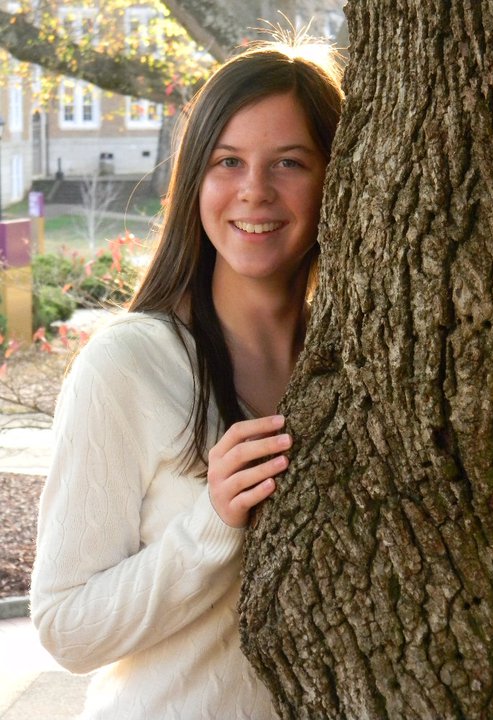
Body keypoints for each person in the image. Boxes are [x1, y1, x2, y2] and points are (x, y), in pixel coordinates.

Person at [31, 36, 344, 720]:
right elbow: (64, 627)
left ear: (337, 180)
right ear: (194, 182)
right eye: (226, 161)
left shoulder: (360, 362)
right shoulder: (128, 367)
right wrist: (213, 523)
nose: (254, 191)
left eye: (289, 162)